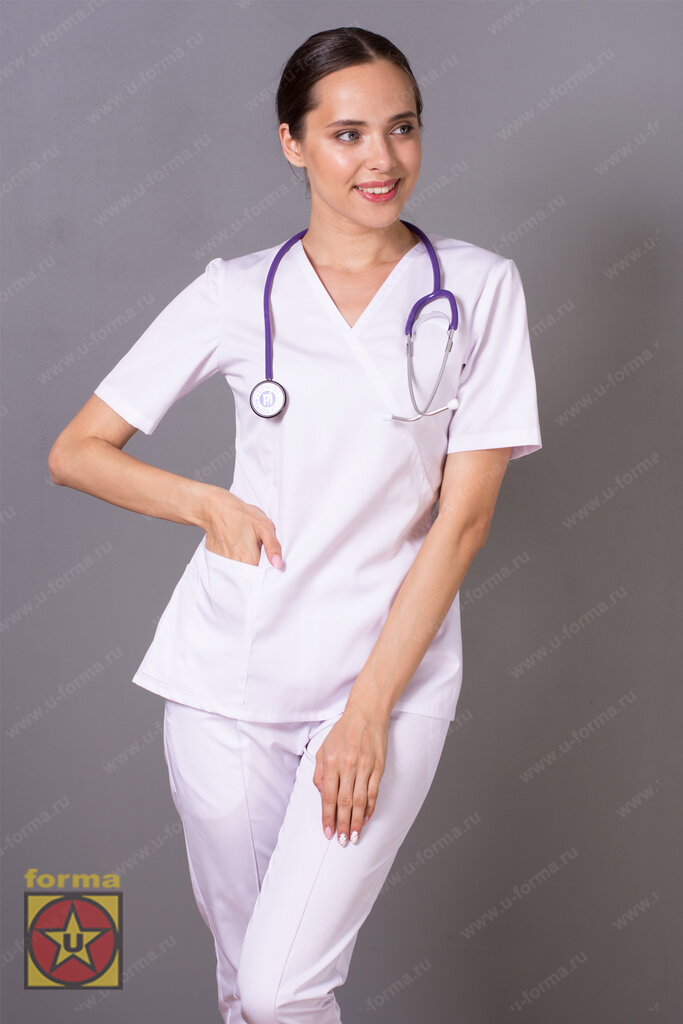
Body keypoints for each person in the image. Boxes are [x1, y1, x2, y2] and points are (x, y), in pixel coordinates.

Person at [49, 26, 542, 1024]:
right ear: (292, 143)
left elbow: (462, 522)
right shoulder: (236, 295)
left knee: (282, 990)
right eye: (347, 134)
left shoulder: (475, 289)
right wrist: (204, 502)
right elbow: (78, 450)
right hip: (227, 677)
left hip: (386, 679)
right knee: (248, 988)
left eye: (401, 128)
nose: (381, 158)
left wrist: (365, 713)